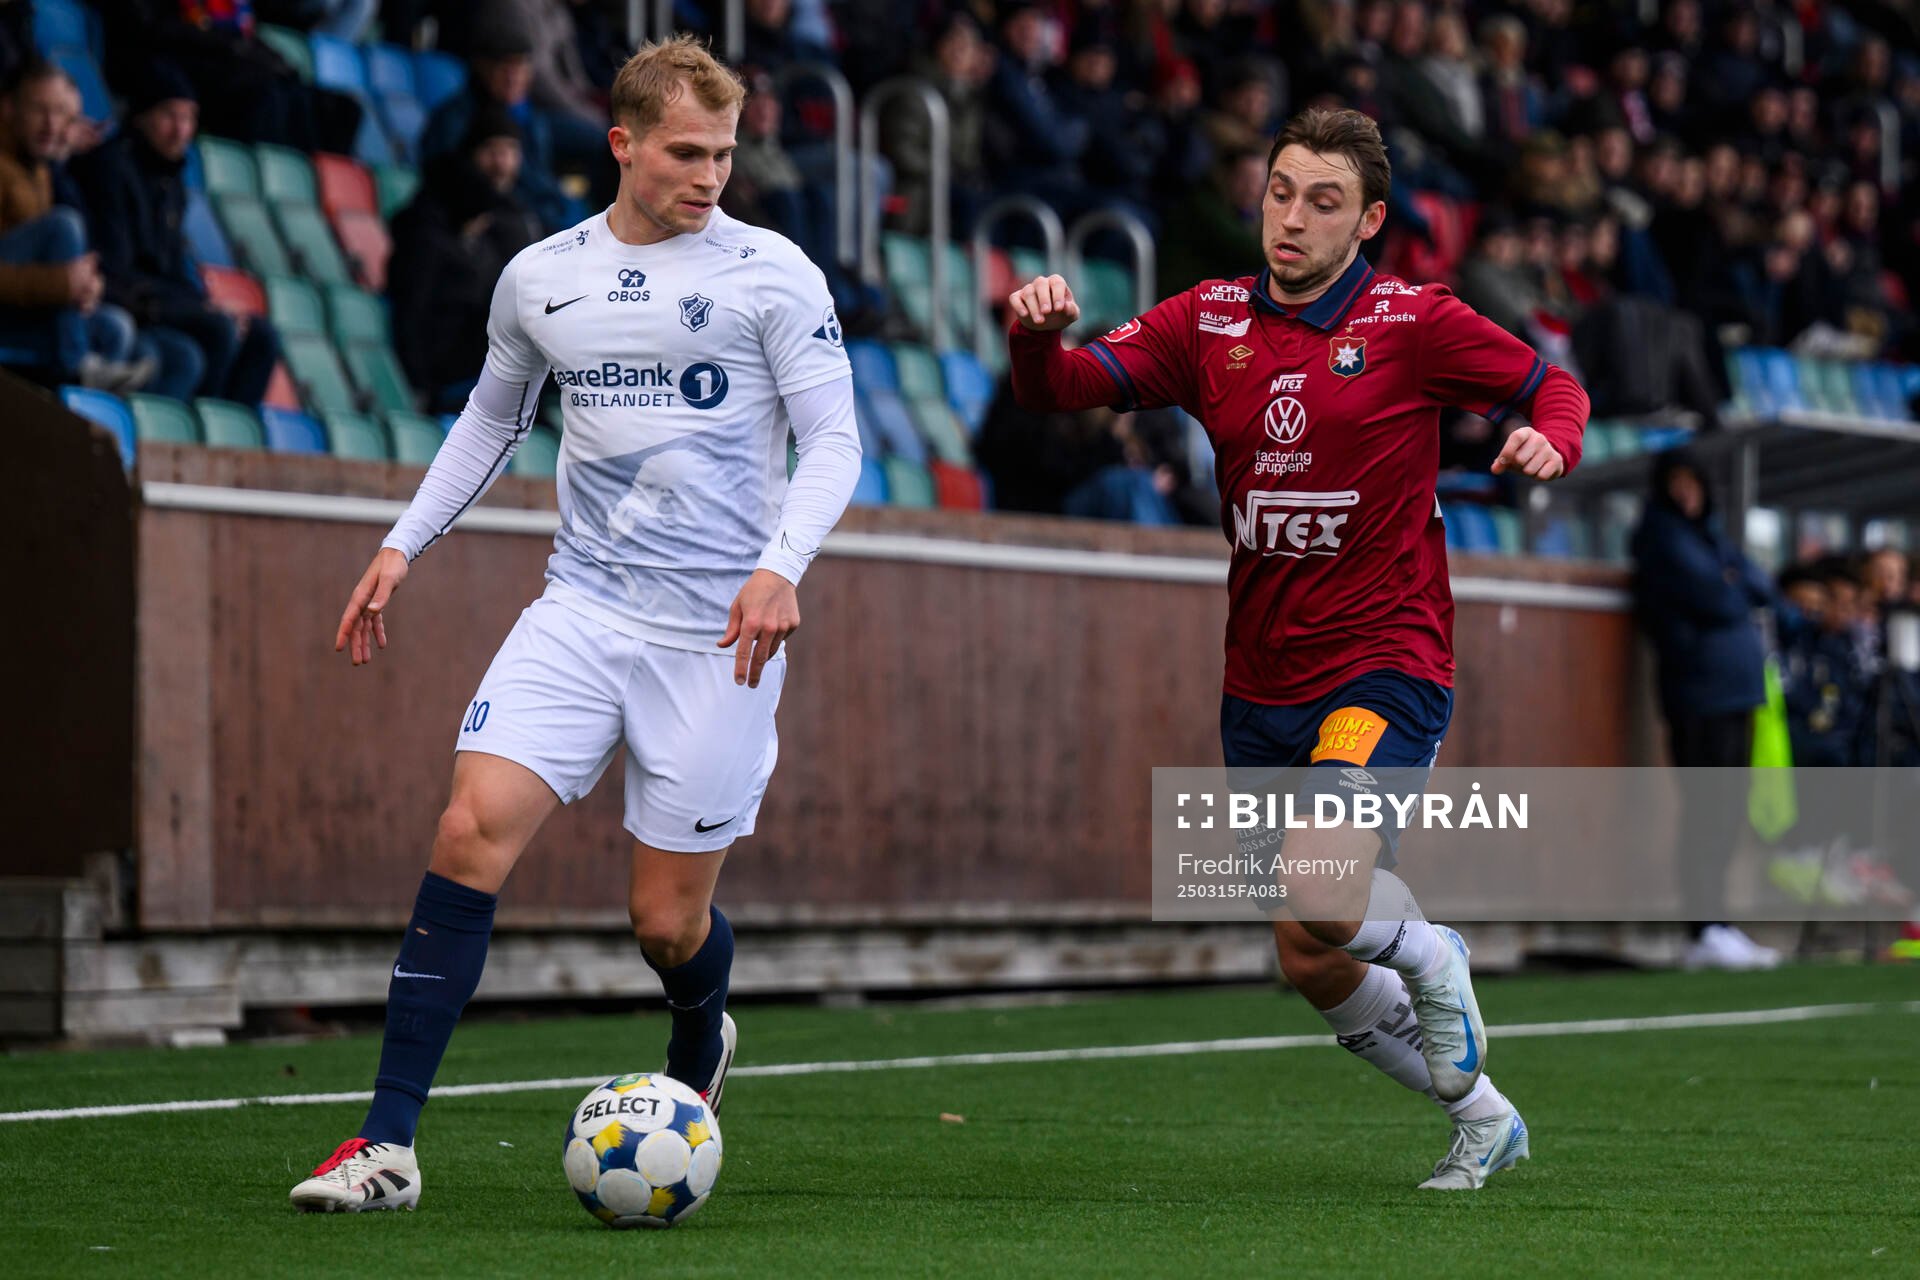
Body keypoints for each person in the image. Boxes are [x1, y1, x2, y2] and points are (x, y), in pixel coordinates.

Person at [288, 35, 861, 1214]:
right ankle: (386, 1144)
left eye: (726, 152)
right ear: (624, 144)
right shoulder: (541, 274)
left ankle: (701, 1024)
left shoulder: (776, 273)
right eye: (687, 152)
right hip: (582, 608)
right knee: (467, 829)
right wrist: (403, 543)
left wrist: (779, 565)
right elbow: (491, 421)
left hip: (720, 636)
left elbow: (837, 441)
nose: (711, 174)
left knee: (666, 924)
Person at [1006, 107, 1587, 1191]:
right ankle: (1484, 1113)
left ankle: (1431, 950)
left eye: (1324, 201)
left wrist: (1553, 434)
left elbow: (1551, 383)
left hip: (1385, 657)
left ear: (1368, 221)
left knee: (1327, 893)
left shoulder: (1418, 321)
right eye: (1281, 191)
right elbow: (1064, 391)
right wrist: (1034, 334)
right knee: (1308, 952)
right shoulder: (1208, 318)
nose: (1293, 217)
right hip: (1260, 676)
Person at [1629, 449, 1781, 970]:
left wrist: (1731, 580)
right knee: (1707, 811)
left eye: (1694, 481)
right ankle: (1703, 929)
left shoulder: (1709, 535)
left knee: (1728, 810)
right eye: (1677, 481)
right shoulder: (1660, 536)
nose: (1687, 492)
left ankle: (1719, 923)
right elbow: (1719, 597)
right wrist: (1730, 581)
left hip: (1734, 690)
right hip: (1698, 692)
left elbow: (1761, 588)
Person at [71, 63, 282, 407]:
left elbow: (171, 266)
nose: (180, 131)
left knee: (262, 336)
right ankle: (193, 433)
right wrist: (196, 310)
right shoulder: (109, 167)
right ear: (141, 116)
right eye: (170, 116)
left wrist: (204, 305)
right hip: (128, 299)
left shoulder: (171, 182)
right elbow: (116, 268)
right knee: (211, 336)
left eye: (189, 119)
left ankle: (225, 441)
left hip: (159, 297)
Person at [0, 60, 154, 391]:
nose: (51, 125)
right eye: (39, 110)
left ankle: (70, 428)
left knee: (115, 328)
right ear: (9, 108)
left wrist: (85, 287)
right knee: (63, 226)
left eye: (61, 114)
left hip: (19, 308)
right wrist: (61, 284)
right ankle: (76, 366)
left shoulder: (39, 169)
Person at [389, 105, 543, 413]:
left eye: (509, 151)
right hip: (450, 369)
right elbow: (413, 314)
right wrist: (422, 387)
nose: (501, 164)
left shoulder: (495, 231)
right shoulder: (427, 238)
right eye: (491, 151)